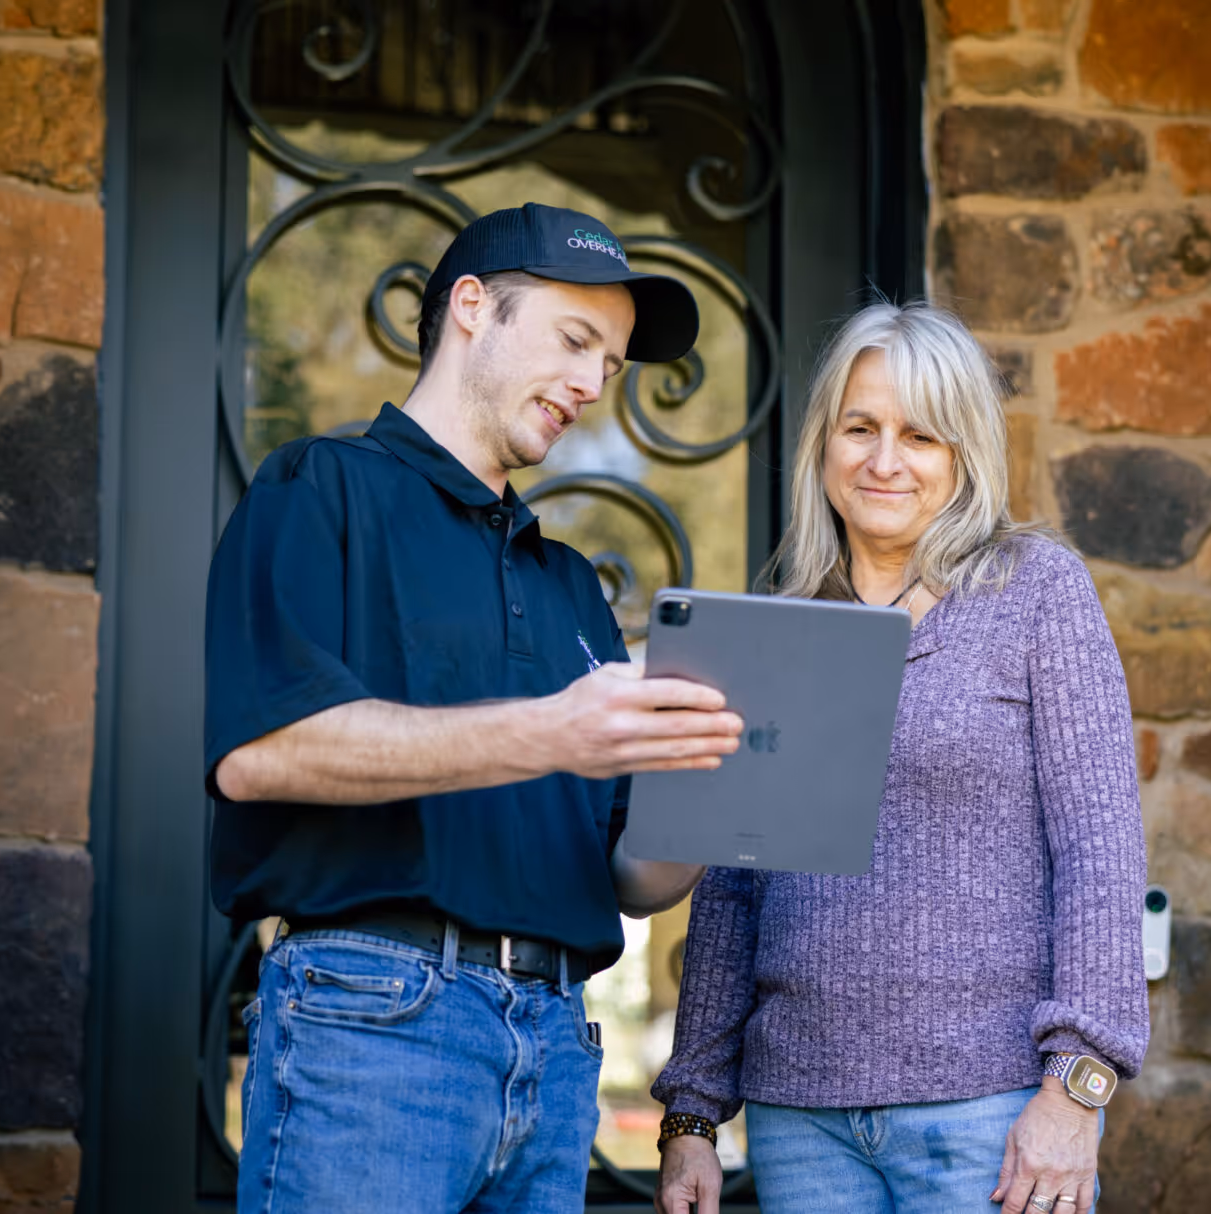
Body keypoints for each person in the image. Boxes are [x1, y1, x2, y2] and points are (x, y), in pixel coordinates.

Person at [204, 202, 736, 1214]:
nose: (592, 385)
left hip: (557, 1044)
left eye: (612, 366)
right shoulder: (319, 488)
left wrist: (725, 797)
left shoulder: (575, 584)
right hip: (372, 1022)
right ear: (472, 308)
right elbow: (260, 750)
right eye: (576, 341)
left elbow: (630, 873)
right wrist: (550, 729)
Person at [651, 300, 1148, 1214]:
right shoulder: (781, 625)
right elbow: (730, 886)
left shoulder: (1035, 593)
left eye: (920, 435)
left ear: (964, 453)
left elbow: (1101, 850)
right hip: (801, 1120)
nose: (885, 461)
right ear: (824, 445)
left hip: (990, 1116)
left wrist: (1079, 1087)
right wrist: (691, 1117)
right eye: (861, 428)